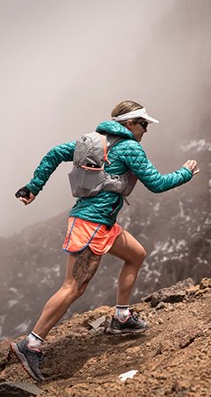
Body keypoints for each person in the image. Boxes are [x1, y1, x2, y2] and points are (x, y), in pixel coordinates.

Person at [10, 100, 199, 382]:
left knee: (136, 255)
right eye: (143, 124)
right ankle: (31, 345)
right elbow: (157, 184)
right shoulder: (129, 147)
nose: (146, 129)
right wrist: (186, 172)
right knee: (73, 287)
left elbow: (53, 154)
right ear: (130, 124)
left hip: (101, 223)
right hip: (91, 226)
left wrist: (34, 186)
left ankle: (121, 318)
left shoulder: (94, 141)